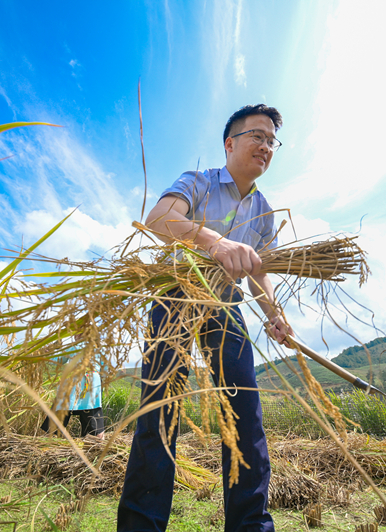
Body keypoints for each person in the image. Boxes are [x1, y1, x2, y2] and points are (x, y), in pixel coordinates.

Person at [117, 104, 292, 532]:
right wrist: (213, 241)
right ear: (230, 143)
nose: (265, 147)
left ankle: (251, 526)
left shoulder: (264, 211)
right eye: (257, 136)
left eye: (272, 141)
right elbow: (159, 219)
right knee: (161, 410)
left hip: (226, 306)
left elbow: (259, 275)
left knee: (245, 416)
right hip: (176, 294)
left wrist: (276, 314)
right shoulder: (198, 181)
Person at [41, 338, 105, 439]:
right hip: (92, 384)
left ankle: (48, 440)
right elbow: (105, 368)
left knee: (60, 410)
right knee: (93, 419)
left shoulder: (73, 346)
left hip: (74, 384)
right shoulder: (99, 347)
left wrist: (48, 354)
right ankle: (96, 445)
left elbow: (56, 361)